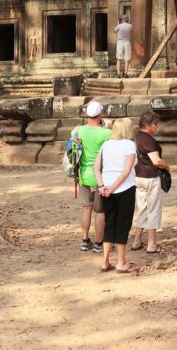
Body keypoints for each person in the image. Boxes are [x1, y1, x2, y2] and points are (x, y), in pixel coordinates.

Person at [93, 117, 139, 273]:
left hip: (106, 188)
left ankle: (105, 261)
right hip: (124, 188)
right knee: (123, 224)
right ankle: (121, 262)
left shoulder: (106, 145)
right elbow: (126, 171)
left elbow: (96, 168)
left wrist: (102, 186)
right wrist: (111, 188)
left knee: (110, 222)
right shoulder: (130, 145)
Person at [74, 101, 113, 253]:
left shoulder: (78, 130)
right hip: (101, 176)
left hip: (83, 175)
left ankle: (85, 240)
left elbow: (74, 141)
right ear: (100, 115)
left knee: (86, 209)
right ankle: (98, 243)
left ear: (86, 116)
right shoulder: (106, 133)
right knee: (100, 211)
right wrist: (107, 126)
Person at [130, 111, 169, 253]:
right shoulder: (148, 139)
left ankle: (137, 240)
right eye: (155, 124)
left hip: (137, 177)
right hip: (150, 177)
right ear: (148, 124)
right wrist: (167, 167)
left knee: (142, 208)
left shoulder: (135, 138)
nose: (156, 127)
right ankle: (152, 244)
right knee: (153, 209)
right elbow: (156, 161)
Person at [115, 14, 134, 78]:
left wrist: (118, 23)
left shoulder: (119, 26)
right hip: (127, 42)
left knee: (119, 59)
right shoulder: (131, 26)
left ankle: (118, 74)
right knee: (127, 59)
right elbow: (132, 32)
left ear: (122, 20)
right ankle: (126, 74)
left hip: (120, 42)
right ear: (128, 19)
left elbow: (114, 30)